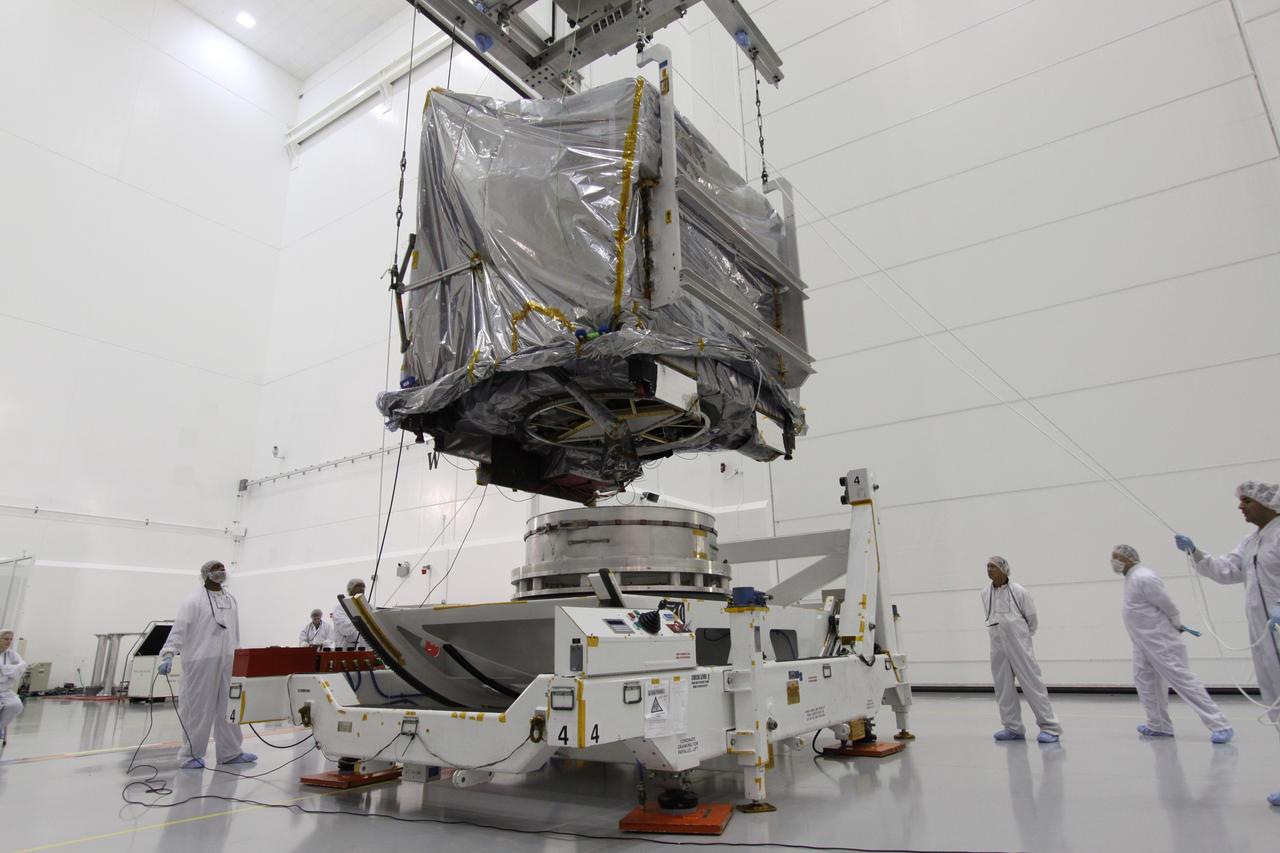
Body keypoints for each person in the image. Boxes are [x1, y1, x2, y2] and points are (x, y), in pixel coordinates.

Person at [1175, 479, 1280, 806]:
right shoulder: (1251, 541)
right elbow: (1226, 570)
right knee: (1275, 700)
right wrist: (1195, 552)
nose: (1240, 506)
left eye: (1247, 501)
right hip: (1264, 635)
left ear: (1268, 503)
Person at [1111, 544, 1233, 742]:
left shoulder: (1144, 577)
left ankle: (1220, 724)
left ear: (1130, 558)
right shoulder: (1131, 578)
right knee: (1145, 681)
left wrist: (1176, 623)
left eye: (1117, 557)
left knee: (1183, 681)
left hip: (1161, 641)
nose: (1114, 561)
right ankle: (1158, 725)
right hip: (1143, 643)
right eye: (1113, 557)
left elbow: (1168, 605)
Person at [158, 560, 257, 770]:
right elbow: (180, 629)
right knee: (198, 709)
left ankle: (230, 752)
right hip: (200, 661)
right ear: (206, 573)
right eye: (215, 568)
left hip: (228, 660)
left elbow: (235, 630)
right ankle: (190, 755)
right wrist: (168, 653)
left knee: (229, 706)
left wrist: (238, 653)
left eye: (222, 568)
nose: (220, 571)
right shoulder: (193, 601)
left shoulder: (230, 599)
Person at [981, 556, 1063, 743]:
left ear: (1003, 569)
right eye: (987, 566)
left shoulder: (1019, 591)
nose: (989, 569)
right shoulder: (985, 593)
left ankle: (1050, 727)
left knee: (1032, 684)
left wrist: (1023, 636)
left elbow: (1031, 618)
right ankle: (1012, 727)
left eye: (993, 566)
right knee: (1003, 687)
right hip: (997, 644)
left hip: (1019, 643)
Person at [0, 628, 27, 744]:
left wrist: (5, 669)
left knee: (16, 705)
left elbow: (22, 666)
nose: (9, 642)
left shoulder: (11, 654)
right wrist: (10, 670)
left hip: (5, 690)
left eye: (11, 639)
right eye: (6, 639)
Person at [331, 578, 368, 650]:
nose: (362, 588)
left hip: (365, 650)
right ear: (351, 589)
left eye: (363, 586)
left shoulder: (368, 606)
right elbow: (344, 627)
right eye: (358, 585)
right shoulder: (340, 607)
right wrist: (362, 621)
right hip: (346, 650)